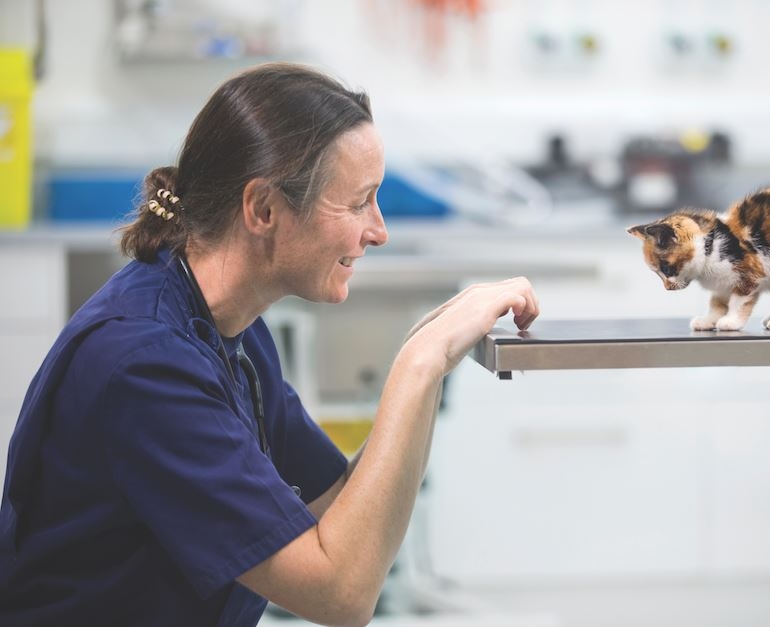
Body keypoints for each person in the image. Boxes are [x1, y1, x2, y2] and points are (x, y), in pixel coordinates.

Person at [0, 62, 539, 626]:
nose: (378, 230)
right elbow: (340, 594)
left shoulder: (232, 329)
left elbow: (343, 513)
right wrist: (418, 365)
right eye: (358, 202)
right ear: (262, 209)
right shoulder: (145, 367)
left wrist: (432, 350)